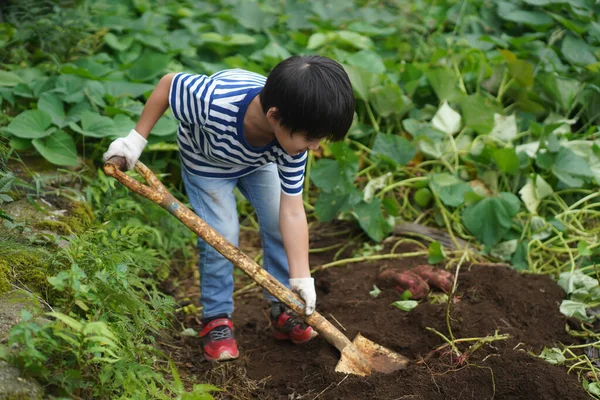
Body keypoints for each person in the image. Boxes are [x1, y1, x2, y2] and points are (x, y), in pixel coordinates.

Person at [103, 55, 355, 361]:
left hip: (258, 163)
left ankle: (284, 307)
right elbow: (169, 85)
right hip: (206, 162)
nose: (316, 147)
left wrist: (301, 277)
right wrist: (134, 141)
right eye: (312, 138)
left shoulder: (293, 141)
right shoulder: (212, 102)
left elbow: (291, 210)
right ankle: (216, 319)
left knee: (278, 222)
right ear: (275, 117)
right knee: (221, 233)